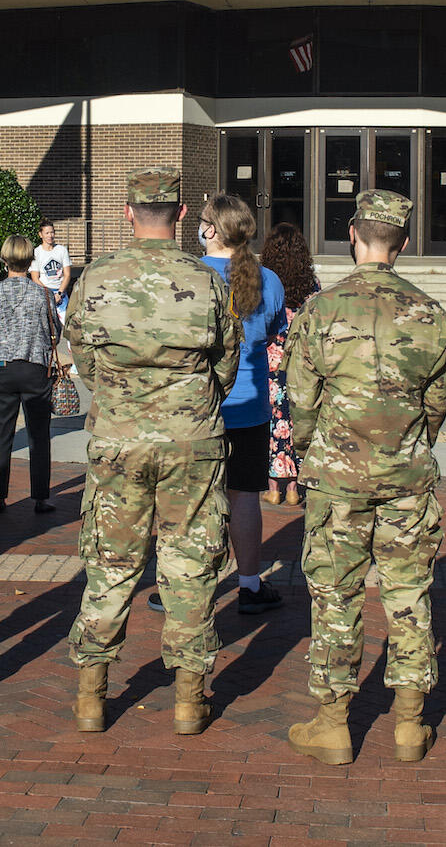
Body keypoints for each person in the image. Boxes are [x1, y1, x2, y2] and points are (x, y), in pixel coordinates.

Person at [281, 189, 446, 765]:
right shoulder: (431, 315)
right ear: (403, 244)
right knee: (408, 594)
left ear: (352, 236)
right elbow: (437, 406)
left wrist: (315, 452)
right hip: (406, 475)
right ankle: (409, 725)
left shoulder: (321, 310)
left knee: (336, 594)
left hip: (337, 479)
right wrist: (406, 445)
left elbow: (300, 402)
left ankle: (334, 723)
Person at [65, 168, 241, 737]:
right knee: (190, 565)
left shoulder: (95, 278)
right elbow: (226, 365)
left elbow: (84, 360)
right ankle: (190, 699)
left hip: (118, 439)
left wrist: (121, 397)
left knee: (110, 566)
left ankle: (92, 694)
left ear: (127, 212)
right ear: (183, 214)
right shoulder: (208, 280)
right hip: (191, 440)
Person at [196, 195, 290, 613]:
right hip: (249, 405)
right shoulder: (268, 280)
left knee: (192, 499)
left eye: (201, 221)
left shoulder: (192, 275)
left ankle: (182, 586)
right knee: (245, 496)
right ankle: (250, 585)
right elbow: (272, 334)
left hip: (197, 407)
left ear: (212, 230)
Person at [0, 234, 58, 514]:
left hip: (2, 367)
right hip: (34, 367)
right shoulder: (42, 294)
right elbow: (54, 334)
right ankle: (40, 496)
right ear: (30, 260)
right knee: (38, 435)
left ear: (4, 260)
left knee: (0, 434)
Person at [258, 222, 318, 506]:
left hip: (271, 358)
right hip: (299, 360)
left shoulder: (266, 282)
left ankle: (273, 487)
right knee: (296, 421)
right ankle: (294, 487)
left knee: (274, 421)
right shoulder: (311, 283)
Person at [33, 221, 73, 317]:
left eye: (52, 232)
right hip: (45, 292)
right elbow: (35, 278)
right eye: (47, 233)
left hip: (60, 292)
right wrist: (49, 294)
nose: (50, 236)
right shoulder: (36, 252)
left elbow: (67, 275)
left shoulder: (62, 250)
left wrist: (59, 293)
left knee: (64, 324)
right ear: (40, 234)